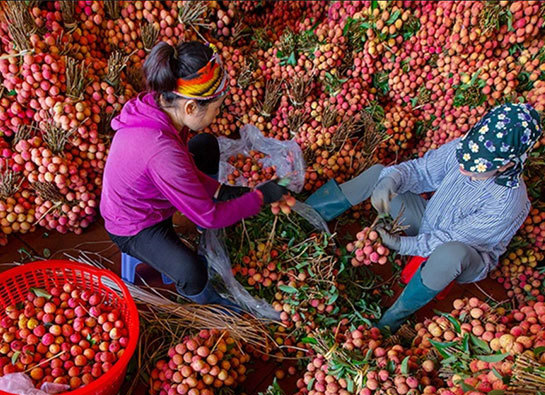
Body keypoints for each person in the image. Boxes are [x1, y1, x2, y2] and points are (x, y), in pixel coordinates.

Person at [308, 103, 542, 332]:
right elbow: (421, 170)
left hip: (466, 254)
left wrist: (402, 244)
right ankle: (308, 214)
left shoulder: (507, 202)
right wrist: (391, 181)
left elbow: (450, 238)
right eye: (465, 156)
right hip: (430, 220)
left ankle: (395, 316)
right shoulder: (465, 148)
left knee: (450, 254)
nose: (463, 167)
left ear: (506, 166)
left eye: (475, 166)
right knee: (380, 174)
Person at [100, 41, 287, 309]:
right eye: (216, 108)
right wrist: (258, 198)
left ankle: (206, 208)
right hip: (135, 225)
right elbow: (209, 217)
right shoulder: (160, 151)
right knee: (192, 272)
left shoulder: (158, 104)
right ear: (190, 108)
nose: (218, 113)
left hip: (153, 192)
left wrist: (222, 191)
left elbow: (183, 165)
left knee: (206, 145)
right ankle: (209, 302)